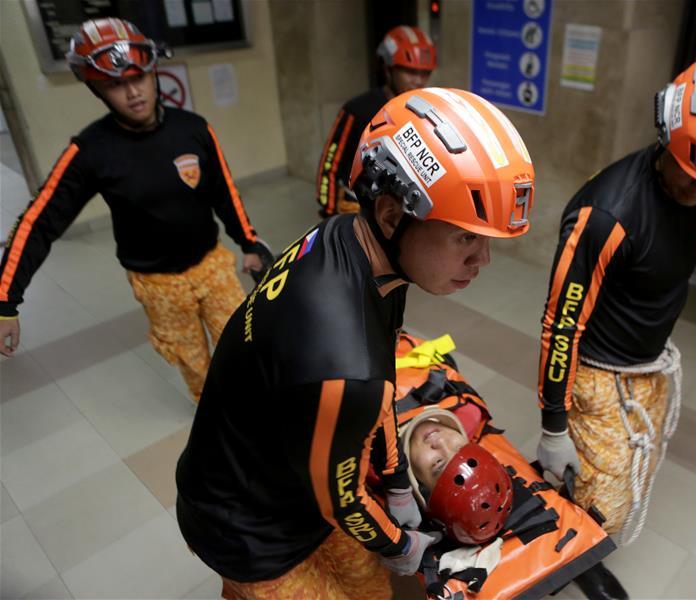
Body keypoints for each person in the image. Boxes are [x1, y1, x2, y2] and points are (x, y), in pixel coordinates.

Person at [175, 87, 535, 598]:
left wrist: (393, 483)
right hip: (245, 524)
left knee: (368, 590)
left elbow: (382, 381)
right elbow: (339, 499)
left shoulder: (350, 239)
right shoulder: (344, 358)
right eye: (465, 238)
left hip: (284, 469)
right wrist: (399, 543)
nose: (483, 261)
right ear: (391, 215)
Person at [536, 56, 696, 597]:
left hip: (647, 362)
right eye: (690, 177)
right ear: (666, 132)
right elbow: (561, 324)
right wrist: (554, 424)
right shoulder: (607, 215)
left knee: (629, 477)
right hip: (597, 372)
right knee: (608, 497)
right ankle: (562, 565)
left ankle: (573, 534)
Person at [0, 18, 272, 403]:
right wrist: (4, 301)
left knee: (242, 344)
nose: (132, 93)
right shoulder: (90, 151)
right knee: (194, 363)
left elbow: (223, 191)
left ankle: (253, 409)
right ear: (97, 90)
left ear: (153, 71)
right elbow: (38, 221)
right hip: (157, 283)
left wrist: (249, 242)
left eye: (138, 77)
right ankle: (216, 419)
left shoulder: (194, 129)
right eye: (115, 84)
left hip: (213, 267)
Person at [315, 25, 436, 217]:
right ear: (388, 69)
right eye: (410, 72)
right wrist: (329, 214)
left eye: (425, 73)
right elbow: (330, 165)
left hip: (397, 217)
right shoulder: (357, 110)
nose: (419, 81)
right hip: (356, 211)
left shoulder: (423, 113)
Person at [402, 408, 513, 546]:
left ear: (420, 487)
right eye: (459, 448)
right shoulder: (469, 413)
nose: (440, 441)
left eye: (438, 463)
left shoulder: (372, 454)